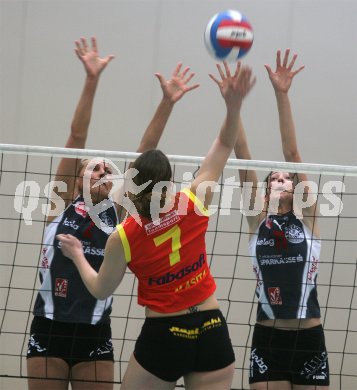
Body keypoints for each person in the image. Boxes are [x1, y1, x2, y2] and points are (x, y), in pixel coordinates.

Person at [57, 61, 256, 390]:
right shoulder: (194, 200)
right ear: (169, 181)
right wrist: (233, 105)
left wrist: (78, 255)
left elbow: (101, 289)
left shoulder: (125, 234)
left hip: (165, 333)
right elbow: (224, 143)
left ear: (134, 186)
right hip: (210, 327)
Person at [26, 36, 199, 390]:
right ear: (77, 180)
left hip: (94, 334)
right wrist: (91, 80)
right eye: (96, 170)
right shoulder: (60, 204)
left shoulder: (117, 212)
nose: (105, 173)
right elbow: (76, 137)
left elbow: (145, 154)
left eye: (108, 170)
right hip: (48, 328)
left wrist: (167, 102)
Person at [234, 49, 329, 389]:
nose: (279, 180)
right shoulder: (257, 222)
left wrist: (281, 93)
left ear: (296, 188)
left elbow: (292, 153)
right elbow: (242, 156)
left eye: (285, 178)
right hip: (268, 340)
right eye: (272, 178)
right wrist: (234, 105)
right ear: (263, 192)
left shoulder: (309, 222)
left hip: (309, 339)